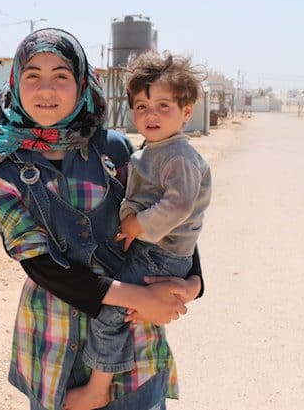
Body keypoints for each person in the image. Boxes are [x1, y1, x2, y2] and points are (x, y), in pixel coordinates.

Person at [0, 28, 204, 410]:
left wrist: (193, 283)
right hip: (55, 347)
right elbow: (42, 267)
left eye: (61, 76)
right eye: (33, 76)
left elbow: (167, 216)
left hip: (134, 345)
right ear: (15, 83)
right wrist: (140, 296)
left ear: (81, 83)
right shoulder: (0, 171)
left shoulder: (114, 149)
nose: (46, 89)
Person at [67, 51, 211, 409]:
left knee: (112, 313)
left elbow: (178, 207)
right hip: (152, 251)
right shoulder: (151, 150)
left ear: (187, 111)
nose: (152, 114)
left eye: (164, 105)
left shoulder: (177, 155)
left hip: (160, 256)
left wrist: (136, 224)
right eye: (142, 106)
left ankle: (98, 386)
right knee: (121, 312)